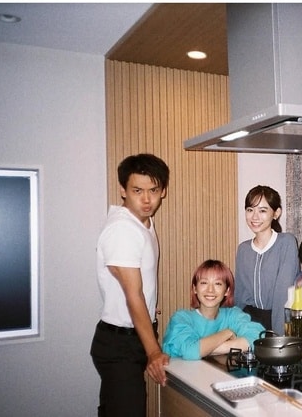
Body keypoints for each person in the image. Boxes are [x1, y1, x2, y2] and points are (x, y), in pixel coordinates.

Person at [90, 153, 170, 417]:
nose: (146, 199)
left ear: (163, 191)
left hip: (129, 338)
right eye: (137, 191)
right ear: (123, 190)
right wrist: (153, 352)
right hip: (119, 344)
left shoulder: (143, 223)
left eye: (153, 190)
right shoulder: (123, 229)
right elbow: (133, 295)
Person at [162, 260, 266, 360]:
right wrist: (227, 333)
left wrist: (206, 350)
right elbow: (190, 351)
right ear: (195, 289)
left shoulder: (233, 315)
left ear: (227, 291)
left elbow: (258, 340)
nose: (210, 290)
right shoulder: (181, 318)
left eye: (218, 284)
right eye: (204, 283)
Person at [234, 185, 300, 335]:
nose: (254, 217)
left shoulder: (287, 242)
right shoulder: (243, 249)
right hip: (248, 323)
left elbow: (283, 294)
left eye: (262, 210)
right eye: (250, 210)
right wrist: (236, 327)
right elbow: (240, 297)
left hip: (278, 322)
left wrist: (278, 337)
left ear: (276, 213)